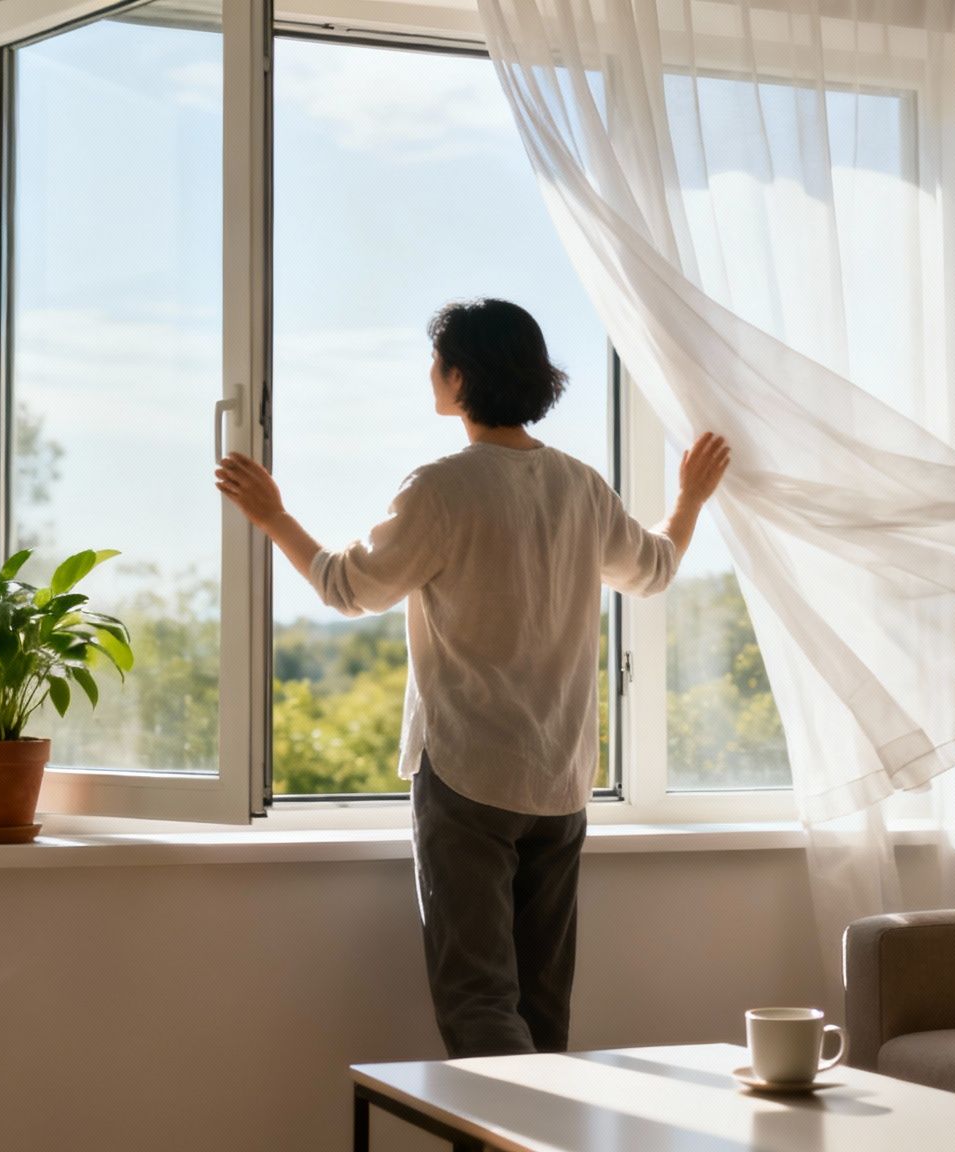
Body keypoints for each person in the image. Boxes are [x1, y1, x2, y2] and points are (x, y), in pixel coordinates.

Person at [214, 297, 730, 1057]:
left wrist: (273, 516)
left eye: (437, 362)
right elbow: (652, 569)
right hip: (560, 783)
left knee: (478, 1003)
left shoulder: (442, 487)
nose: (431, 374)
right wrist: (688, 501)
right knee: (542, 1009)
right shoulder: (581, 485)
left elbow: (345, 587)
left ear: (460, 377)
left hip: (468, 778)